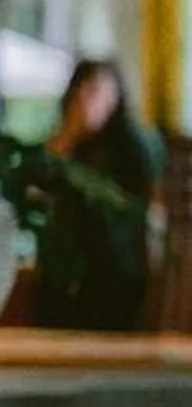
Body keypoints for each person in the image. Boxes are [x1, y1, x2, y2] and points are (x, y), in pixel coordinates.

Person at [38, 56, 161, 332]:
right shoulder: (66, 142)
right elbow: (41, 186)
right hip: (67, 260)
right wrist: (69, 134)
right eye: (81, 91)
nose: (87, 100)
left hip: (115, 262)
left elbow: (141, 207)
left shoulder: (132, 146)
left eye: (96, 91)